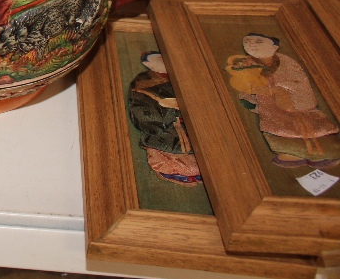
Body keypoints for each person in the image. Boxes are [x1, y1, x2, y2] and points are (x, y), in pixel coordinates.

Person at [226, 33, 340, 168]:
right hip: (271, 107)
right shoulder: (247, 63)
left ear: (274, 46)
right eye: (247, 42)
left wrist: (278, 89)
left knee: (310, 128)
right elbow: (245, 84)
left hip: (293, 101)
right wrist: (250, 92)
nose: (251, 44)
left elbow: (299, 80)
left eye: (258, 41)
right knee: (279, 129)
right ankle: (291, 154)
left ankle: (325, 154)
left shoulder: (285, 61)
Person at [128, 51, 202, 185]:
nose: (164, 62)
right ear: (148, 64)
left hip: (186, 124)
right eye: (158, 59)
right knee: (168, 148)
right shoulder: (143, 81)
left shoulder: (181, 78)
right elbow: (139, 104)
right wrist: (166, 108)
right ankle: (175, 172)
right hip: (164, 126)